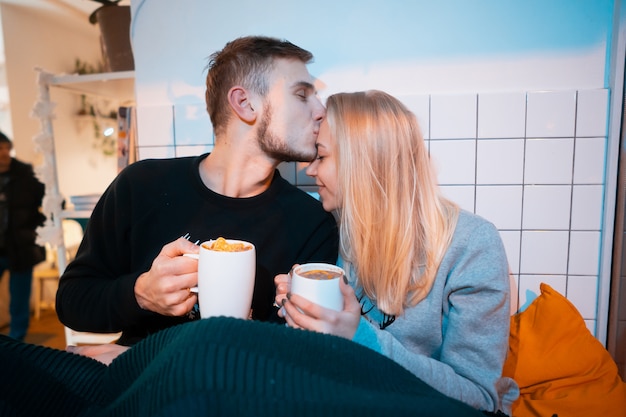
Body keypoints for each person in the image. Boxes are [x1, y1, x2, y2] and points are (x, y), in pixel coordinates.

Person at [56, 36, 339, 347]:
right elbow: (71, 303)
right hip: (141, 388)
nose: (320, 111)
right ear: (244, 104)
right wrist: (141, 293)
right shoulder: (142, 185)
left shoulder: (311, 223)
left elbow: (298, 355)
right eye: (301, 95)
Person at [275, 91, 519, 416]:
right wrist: (304, 311)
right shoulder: (339, 233)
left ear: (361, 163)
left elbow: (477, 396)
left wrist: (358, 335)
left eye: (321, 156)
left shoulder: (471, 244)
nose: (309, 170)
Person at [0, 132, 46, 341]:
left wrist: (37, 227)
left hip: (21, 247)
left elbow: (49, 200)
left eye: (5, 147)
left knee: (19, 300)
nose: (3, 153)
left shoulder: (26, 175)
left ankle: (16, 342)